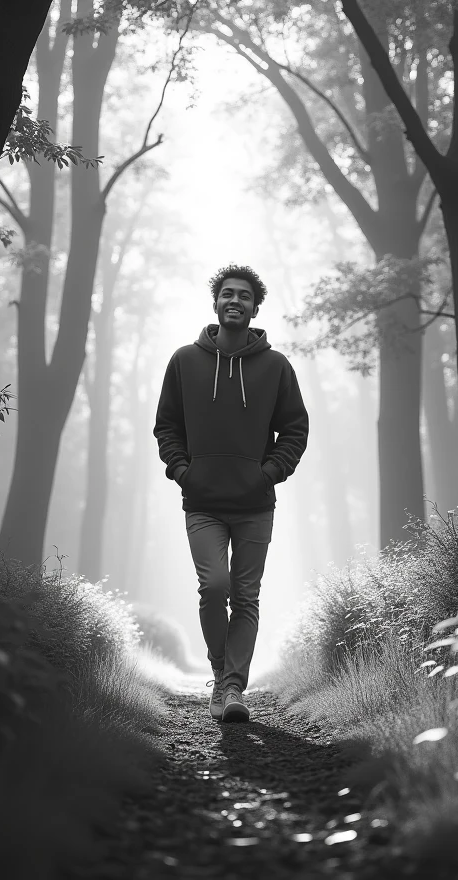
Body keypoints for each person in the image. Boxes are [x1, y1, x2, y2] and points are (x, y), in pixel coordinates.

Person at [153, 264, 309, 723]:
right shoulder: (184, 360)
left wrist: (269, 473)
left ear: (255, 307)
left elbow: (295, 429)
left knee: (245, 595)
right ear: (216, 303)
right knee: (213, 586)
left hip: (255, 504)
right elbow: (167, 426)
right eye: (227, 294)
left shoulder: (276, 366)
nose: (234, 300)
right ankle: (221, 672)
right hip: (202, 501)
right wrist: (182, 470)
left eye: (243, 295)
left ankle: (234, 688)